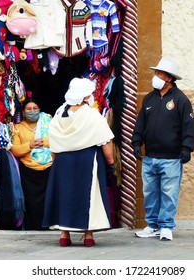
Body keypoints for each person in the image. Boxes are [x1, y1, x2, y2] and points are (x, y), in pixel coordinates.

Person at [42, 77, 115, 247]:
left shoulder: (59, 114)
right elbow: (106, 140)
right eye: (89, 94)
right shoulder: (92, 115)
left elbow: (53, 141)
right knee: (88, 195)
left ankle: (64, 235)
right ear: (84, 96)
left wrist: (56, 162)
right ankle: (88, 235)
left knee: (64, 195)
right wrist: (110, 163)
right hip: (87, 159)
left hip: (62, 160)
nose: (91, 96)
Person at [132, 57, 194, 241]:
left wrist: (187, 148)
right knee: (150, 193)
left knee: (169, 193)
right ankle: (152, 225)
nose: (155, 76)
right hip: (150, 157)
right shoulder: (149, 99)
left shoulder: (180, 100)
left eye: (159, 73)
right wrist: (136, 142)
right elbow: (140, 124)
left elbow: (189, 126)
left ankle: (166, 226)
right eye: (155, 73)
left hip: (171, 159)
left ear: (169, 78)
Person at [10, 98, 53, 230]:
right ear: (23, 112)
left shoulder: (49, 123)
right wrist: (30, 145)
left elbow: (58, 140)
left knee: (49, 201)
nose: (32, 111)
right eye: (29, 109)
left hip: (48, 169)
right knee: (31, 203)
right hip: (28, 172)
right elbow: (15, 149)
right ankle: (32, 227)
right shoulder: (17, 128)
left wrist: (43, 143)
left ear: (40, 110)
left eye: (35, 108)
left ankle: (49, 225)